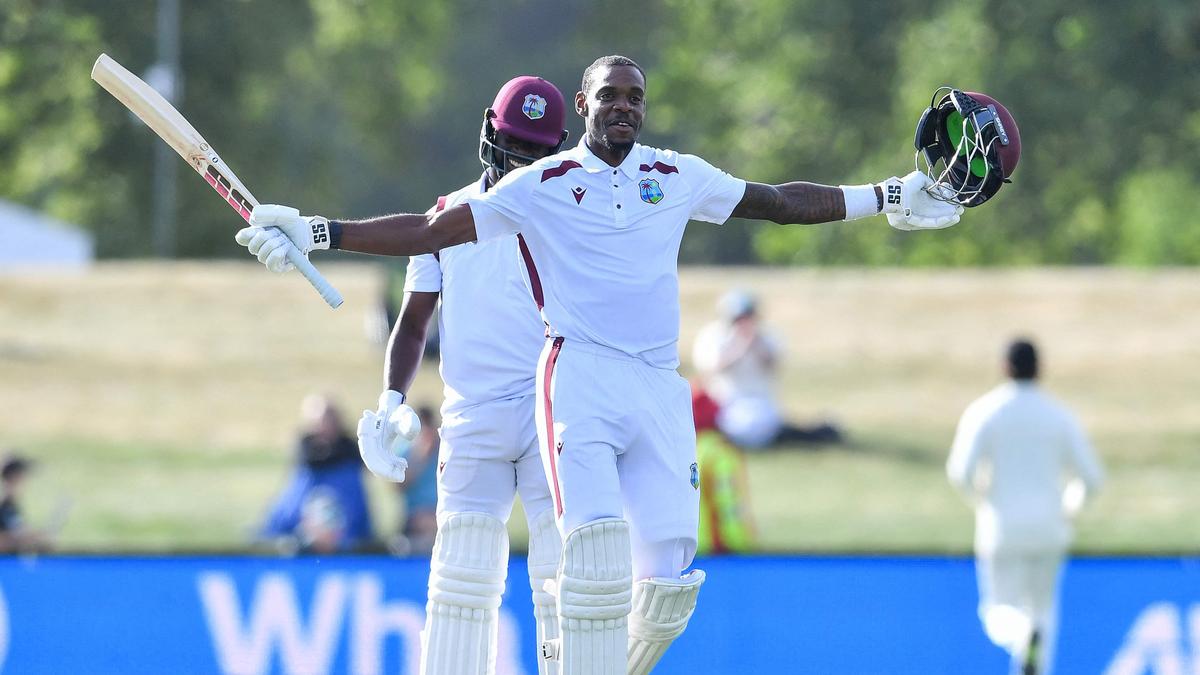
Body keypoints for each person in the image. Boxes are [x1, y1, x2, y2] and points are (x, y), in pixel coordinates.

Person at [236, 54, 963, 674]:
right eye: (609, 95)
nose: (623, 107)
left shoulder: (674, 174)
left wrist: (886, 196)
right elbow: (426, 246)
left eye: (634, 96)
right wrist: (318, 232)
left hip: (641, 387)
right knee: (506, 573)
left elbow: (775, 201)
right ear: (583, 106)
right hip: (551, 389)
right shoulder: (536, 187)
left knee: (659, 589)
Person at [353, 75, 570, 675]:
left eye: (535, 152)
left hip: (552, 409)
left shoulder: (570, 215)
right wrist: (392, 397)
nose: (520, 162)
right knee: (461, 582)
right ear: (489, 133)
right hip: (473, 415)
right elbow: (413, 321)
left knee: (560, 579)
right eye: (513, 145)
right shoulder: (445, 218)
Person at [947, 338, 1105, 675]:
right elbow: (1091, 477)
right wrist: (1070, 507)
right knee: (1043, 616)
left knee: (998, 612)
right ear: (1040, 368)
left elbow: (960, 471)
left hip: (1002, 527)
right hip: (1050, 528)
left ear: (1004, 367)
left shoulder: (986, 411)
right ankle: (1030, 640)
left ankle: (1021, 632)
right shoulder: (1058, 415)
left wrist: (981, 500)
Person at [693, 289, 842, 449]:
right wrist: (738, 348)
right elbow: (711, 370)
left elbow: (773, 365)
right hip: (725, 403)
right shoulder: (713, 336)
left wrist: (755, 344)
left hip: (762, 401)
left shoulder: (767, 336)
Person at [259, 394, 373, 553]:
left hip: (344, 547)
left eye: (329, 421)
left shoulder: (350, 465)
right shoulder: (304, 467)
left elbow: (358, 516)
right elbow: (287, 513)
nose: (323, 429)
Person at [690, 386, 756, 554]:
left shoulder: (685, 451)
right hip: (719, 550)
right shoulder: (721, 454)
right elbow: (728, 505)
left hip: (689, 549)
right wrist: (742, 544)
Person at [388, 404, 439, 557]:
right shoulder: (405, 449)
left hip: (440, 514)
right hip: (414, 517)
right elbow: (398, 486)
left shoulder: (445, 450)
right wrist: (420, 456)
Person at [0, 453, 53, 554]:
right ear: (14, 478)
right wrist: (32, 538)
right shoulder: (6, 507)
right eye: (23, 477)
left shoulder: (10, 506)